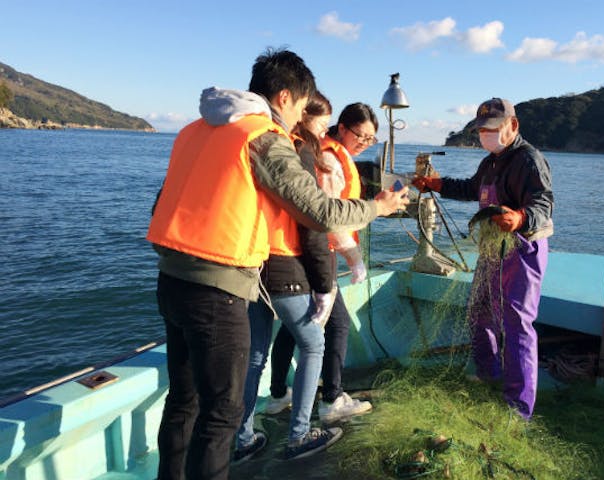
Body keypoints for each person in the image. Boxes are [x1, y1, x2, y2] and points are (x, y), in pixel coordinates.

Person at [147, 48, 409, 480]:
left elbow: (164, 204)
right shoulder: (262, 136)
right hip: (219, 288)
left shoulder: (195, 131)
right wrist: (377, 207)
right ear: (285, 98)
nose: (300, 118)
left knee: (183, 402)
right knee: (220, 416)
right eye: (304, 107)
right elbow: (318, 212)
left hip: (172, 281)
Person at [412, 98, 553, 420]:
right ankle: (487, 373)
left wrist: (520, 217)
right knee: (481, 311)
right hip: (492, 248)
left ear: (512, 126)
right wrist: (438, 184)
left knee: (517, 324)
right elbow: (472, 189)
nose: (486, 135)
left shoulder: (529, 159)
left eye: (493, 129)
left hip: (522, 247)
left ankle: (518, 407)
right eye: (482, 131)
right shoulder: (491, 161)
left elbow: (543, 204)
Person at [232, 91, 342, 463]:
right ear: (301, 114)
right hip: (283, 263)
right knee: (312, 343)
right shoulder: (302, 151)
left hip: (252, 263)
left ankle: (242, 439)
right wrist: (324, 285)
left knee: (255, 354)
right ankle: (298, 436)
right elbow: (312, 223)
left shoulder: (257, 142)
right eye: (322, 124)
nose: (324, 132)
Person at [267, 103, 378, 423]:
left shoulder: (319, 153)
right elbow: (327, 217)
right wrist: (353, 257)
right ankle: (331, 398)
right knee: (337, 323)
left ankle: (277, 394)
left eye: (371, 140)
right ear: (341, 128)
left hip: (295, 250)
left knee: (293, 327)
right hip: (318, 253)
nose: (364, 143)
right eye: (360, 136)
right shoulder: (329, 158)